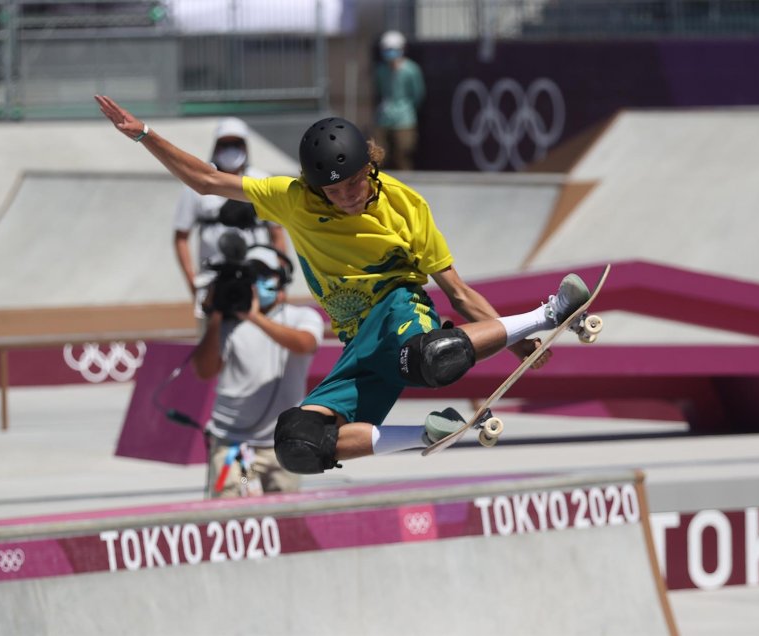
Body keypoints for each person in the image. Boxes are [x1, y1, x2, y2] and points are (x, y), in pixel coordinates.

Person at [95, 95, 592, 476]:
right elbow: (206, 180)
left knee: (432, 359)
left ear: (370, 164)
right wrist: (144, 135)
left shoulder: (407, 207)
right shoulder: (291, 199)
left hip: (397, 310)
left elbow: (458, 292)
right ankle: (426, 432)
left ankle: (551, 311)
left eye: (354, 183)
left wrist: (519, 336)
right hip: (358, 344)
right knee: (298, 442)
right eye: (333, 192)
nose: (348, 197)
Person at [192, 243, 325, 497]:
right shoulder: (226, 324)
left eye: (266, 275)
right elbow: (205, 370)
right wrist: (216, 314)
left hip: (283, 448)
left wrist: (255, 317)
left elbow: (305, 345)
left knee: (284, 523)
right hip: (236, 451)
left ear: (282, 279)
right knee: (235, 511)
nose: (258, 282)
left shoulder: (301, 317)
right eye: (252, 276)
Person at [173, 117, 289, 320]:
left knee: (264, 336)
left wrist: (277, 279)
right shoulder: (197, 184)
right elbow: (181, 236)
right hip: (214, 280)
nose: (230, 149)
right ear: (215, 145)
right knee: (214, 341)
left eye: (236, 144)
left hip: (258, 278)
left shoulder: (262, 181)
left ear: (246, 146)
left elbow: (277, 234)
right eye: (224, 144)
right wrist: (192, 282)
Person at [373, 30, 425, 170]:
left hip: (404, 119)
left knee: (404, 153)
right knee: (378, 154)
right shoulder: (381, 70)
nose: (390, 53)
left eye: (393, 49)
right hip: (384, 117)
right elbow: (379, 91)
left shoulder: (411, 70)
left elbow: (418, 94)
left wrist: (407, 108)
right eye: (386, 49)